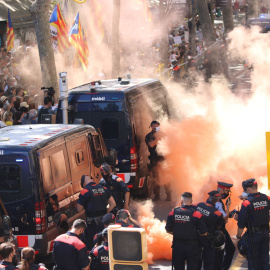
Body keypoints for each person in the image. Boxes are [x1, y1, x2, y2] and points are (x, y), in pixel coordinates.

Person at [165, 192, 207, 270]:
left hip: (177, 246)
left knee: (178, 267)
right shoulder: (196, 214)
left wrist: (178, 234)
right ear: (191, 201)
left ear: (181, 201)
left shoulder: (173, 212)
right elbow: (203, 232)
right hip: (192, 246)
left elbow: (168, 230)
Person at [237, 178, 270, 270]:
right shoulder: (266, 198)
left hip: (253, 236)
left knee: (254, 261)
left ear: (249, 189)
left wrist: (239, 236)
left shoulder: (247, 203)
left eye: (245, 189)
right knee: (265, 259)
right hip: (265, 234)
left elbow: (241, 224)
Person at [77, 175, 116, 250]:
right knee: (105, 240)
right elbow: (113, 204)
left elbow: (79, 209)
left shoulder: (85, 191)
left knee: (93, 243)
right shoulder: (104, 188)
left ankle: (94, 257)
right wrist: (105, 213)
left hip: (92, 224)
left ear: (83, 184)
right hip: (104, 222)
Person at [196, 191, 224, 270]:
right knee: (208, 263)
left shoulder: (198, 205)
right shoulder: (217, 213)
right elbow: (219, 225)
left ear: (208, 197)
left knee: (195, 262)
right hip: (209, 239)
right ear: (217, 200)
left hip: (196, 238)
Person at [145, 121, 171, 201]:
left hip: (163, 159)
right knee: (156, 178)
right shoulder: (149, 136)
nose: (157, 128)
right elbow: (151, 145)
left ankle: (169, 195)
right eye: (155, 126)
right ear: (152, 127)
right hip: (154, 160)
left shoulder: (163, 134)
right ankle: (157, 195)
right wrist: (158, 139)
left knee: (166, 177)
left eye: (158, 126)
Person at [214, 182, 235, 270]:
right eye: (227, 191)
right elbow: (225, 218)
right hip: (219, 231)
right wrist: (228, 206)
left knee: (227, 249)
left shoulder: (216, 199)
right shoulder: (218, 202)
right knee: (227, 250)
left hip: (220, 229)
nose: (228, 193)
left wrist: (230, 213)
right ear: (222, 191)